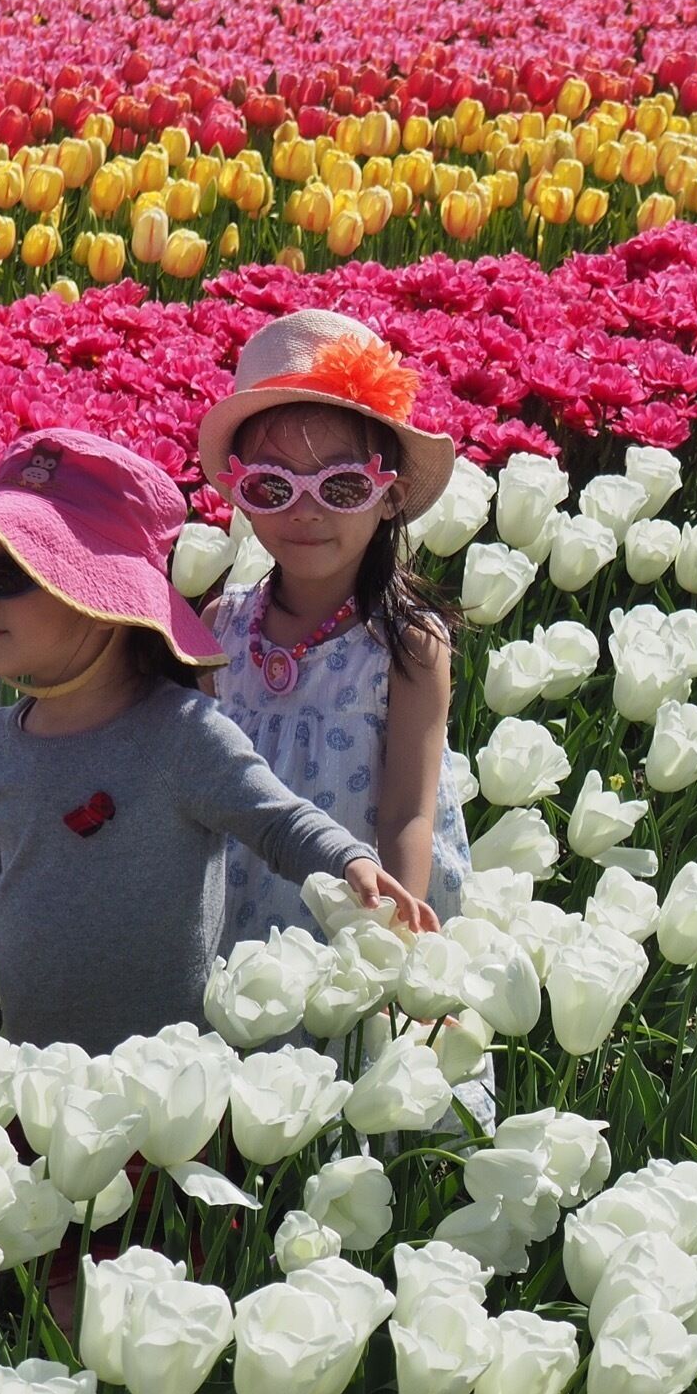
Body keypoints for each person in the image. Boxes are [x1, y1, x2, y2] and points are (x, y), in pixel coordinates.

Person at [0, 428, 436, 1054]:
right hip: (37, 1069)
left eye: (8, 573)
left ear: (102, 599)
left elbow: (278, 821)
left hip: (167, 1075)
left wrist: (350, 862)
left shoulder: (181, 735)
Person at [192, 308, 474, 950]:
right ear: (239, 496)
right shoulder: (220, 629)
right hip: (238, 910)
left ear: (390, 496)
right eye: (272, 486)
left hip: (359, 917)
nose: (305, 510)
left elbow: (407, 816)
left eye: (341, 487)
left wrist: (392, 944)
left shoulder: (406, 645)